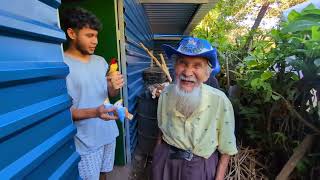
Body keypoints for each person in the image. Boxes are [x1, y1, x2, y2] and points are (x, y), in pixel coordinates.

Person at [152, 37, 238, 180]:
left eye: (197, 66)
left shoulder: (220, 101)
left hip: (200, 167)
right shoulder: (166, 94)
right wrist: (157, 157)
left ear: (207, 73)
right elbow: (161, 130)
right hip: (165, 161)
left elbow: (226, 149)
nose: (188, 72)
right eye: (182, 63)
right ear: (175, 67)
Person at [61, 7, 124, 180]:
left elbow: (109, 94)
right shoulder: (61, 65)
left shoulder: (100, 61)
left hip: (109, 132)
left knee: (104, 173)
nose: (95, 41)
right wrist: (95, 112)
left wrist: (114, 86)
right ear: (72, 33)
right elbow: (63, 114)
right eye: (89, 35)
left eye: (96, 36)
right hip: (85, 141)